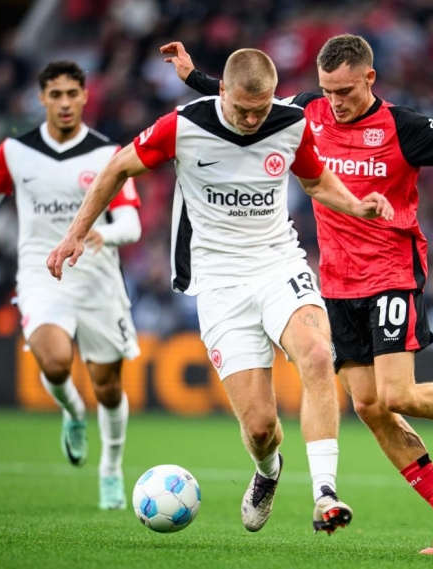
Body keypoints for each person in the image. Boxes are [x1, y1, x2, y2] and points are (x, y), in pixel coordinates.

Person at [164, 34, 433, 555]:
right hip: (336, 284)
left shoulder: (402, 127)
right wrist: (193, 78)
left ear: (369, 79)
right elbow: (251, 103)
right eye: (326, 90)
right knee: (369, 405)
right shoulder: (308, 111)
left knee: (398, 394)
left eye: (344, 90)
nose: (334, 101)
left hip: (391, 273)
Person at [46, 48, 394, 534]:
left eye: (263, 108)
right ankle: (268, 471)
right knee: (259, 427)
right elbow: (117, 168)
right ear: (223, 92)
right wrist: (75, 233)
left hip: (278, 262)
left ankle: (325, 495)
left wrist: (358, 207)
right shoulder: (183, 125)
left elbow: (316, 182)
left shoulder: (291, 123)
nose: (254, 119)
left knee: (317, 355)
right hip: (219, 282)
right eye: (243, 109)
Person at [0, 61, 142, 509]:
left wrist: (102, 234)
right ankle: (73, 414)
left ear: (86, 96)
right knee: (53, 361)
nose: (65, 103)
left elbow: (131, 223)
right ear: (42, 98)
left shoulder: (109, 153)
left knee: (108, 386)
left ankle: (111, 468)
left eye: (73, 93)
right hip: (41, 273)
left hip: (97, 279)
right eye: (56, 94)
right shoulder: (15, 151)